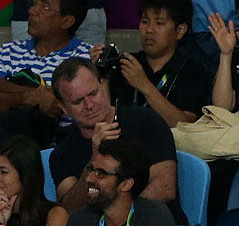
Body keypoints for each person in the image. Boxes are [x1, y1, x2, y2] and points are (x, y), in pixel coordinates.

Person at [48, 55, 181, 214]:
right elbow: (69, 209)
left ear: (103, 86)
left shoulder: (147, 121)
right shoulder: (62, 154)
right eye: (78, 101)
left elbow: (165, 187)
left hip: (152, 225)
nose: (89, 105)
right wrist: (94, 158)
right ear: (63, 108)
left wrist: (122, 219)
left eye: (93, 93)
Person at [58, 137, 177, 226]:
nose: (89, 178)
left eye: (100, 173)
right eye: (91, 170)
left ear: (126, 184)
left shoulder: (155, 216)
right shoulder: (80, 220)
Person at [113, 0, 217, 127]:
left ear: (180, 31)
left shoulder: (192, 71)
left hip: (169, 147)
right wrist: (102, 78)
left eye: (159, 23)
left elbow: (185, 123)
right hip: (121, 143)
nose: (149, 30)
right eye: (145, 21)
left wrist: (144, 85)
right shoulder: (127, 63)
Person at [0, 0, 89, 146]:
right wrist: (30, 96)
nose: (32, 11)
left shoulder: (85, 57)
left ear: (66, 21)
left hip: (55, 149)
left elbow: (71, 108)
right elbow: (48, 99)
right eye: (34, 3)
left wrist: (11, 93)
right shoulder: (9, 50)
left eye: (45, 6)